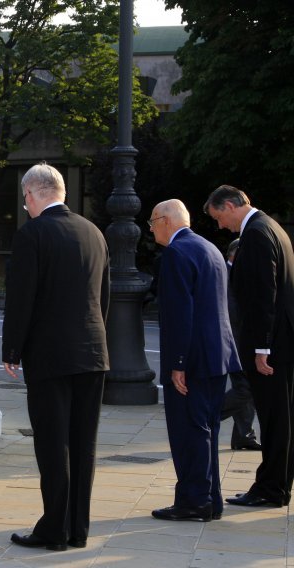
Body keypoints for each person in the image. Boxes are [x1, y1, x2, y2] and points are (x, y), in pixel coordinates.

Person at [2, 162, 109, 551]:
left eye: (24, 197)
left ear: (32, 194)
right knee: (84, 444)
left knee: (52, 444)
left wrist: (12, 348)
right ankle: (77, 527)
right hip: (93, 353)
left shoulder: (33, 234)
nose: (25, 204)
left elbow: (21, 297)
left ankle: (53, 530)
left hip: (50, 356)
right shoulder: (94, 232)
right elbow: (104, 297)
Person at [148, 200, 241, 522]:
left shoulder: (176, 253)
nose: (150, 229)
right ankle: (209, 499)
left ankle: (194, 501)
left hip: (194, 360)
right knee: (207, 430)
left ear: (165, 221)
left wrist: (178, 363)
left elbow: (179, 313)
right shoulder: (210, 248)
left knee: (189, 431)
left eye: (151, 222)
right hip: (217, 357)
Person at [204, 185, 294, 508]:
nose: (220, 225)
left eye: (219, 217)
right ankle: (278, 485)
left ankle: (270, 488)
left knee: (273, 419)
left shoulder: (255, 234)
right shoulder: (273, 227)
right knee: (281, 418)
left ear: (230, 205)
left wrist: (261, 349)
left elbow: (262, 296)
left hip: (272, 347)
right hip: (283, 341)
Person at [220, 238, 261, 451]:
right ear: (235, 254)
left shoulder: (236, 273)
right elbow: (232, 313)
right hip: (235, 342)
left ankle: (244, 435)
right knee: (246, 387)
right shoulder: (227, 274)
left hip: (240, 340)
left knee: (244, 387)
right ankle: (209, 415)